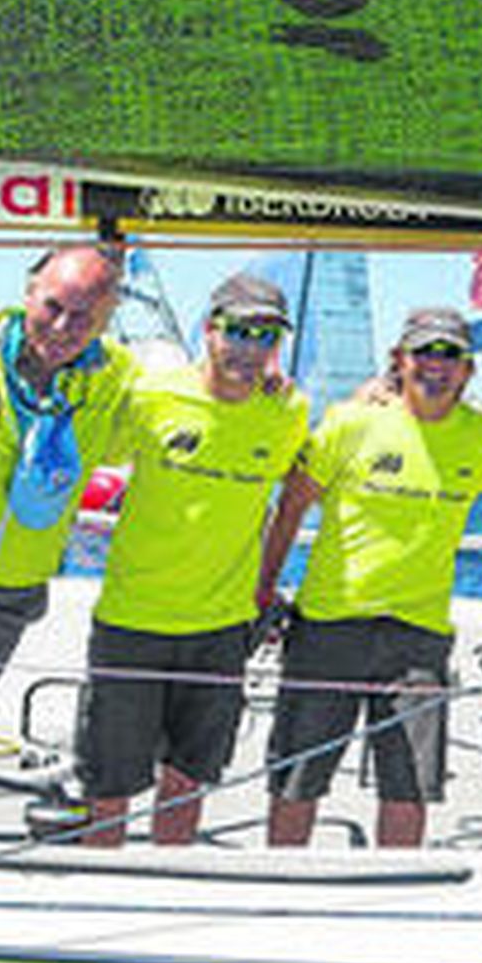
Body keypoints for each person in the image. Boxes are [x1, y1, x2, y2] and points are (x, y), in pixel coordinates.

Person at [258, 308, 482, 848]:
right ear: (400, 360)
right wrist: (263, 585)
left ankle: (396, 910)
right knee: (297, 780)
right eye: (424, 352)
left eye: (451, 356)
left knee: (409, 788)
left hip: (418, 639)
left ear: (469, 371)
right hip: (329, 627)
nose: (436, 366)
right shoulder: (352, 420)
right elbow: (292, 506)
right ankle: (275, 899)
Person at [77, 274, 308, 846]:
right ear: (209, 330)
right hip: (132, 622)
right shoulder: (154, 395)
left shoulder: (289, 412)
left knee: (187, 783)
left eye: (265, 336)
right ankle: (98, 904)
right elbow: (84, 439)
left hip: (221, 631)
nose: (249, 349)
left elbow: (303, 488)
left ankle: (165, 894)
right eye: (238, 331)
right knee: (110, 789)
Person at [0, 244, 134, 707]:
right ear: (29, 293)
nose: (63, 327)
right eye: (53, 306)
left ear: (107, 321)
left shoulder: (116, 379)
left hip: (9, 595)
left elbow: (190, 392)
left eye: (84, 317)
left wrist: (265, 377)